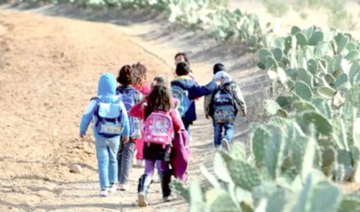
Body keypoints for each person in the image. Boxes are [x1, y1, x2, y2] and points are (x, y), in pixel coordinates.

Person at [129, 78, 184, 207]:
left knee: (148, 170)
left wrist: (143, 100)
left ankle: (143, 190)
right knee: (164, 168)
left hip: (148, 144)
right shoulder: (169, 111)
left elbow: (132, 112)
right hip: (164, 145)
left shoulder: (146, 109)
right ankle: (166, 194)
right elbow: (179, 127)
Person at [79, 73, 130, 197]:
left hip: (100, 135)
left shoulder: (95, 100)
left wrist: (82, 130)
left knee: (102, 161)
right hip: (115, 136)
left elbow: (86, 117)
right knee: (113, 159)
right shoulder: (118, 100)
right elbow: (125, 119)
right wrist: (126, 133)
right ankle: (113, 185)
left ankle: (103, 188)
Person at [171, 62, 218, 145]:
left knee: (173, 136)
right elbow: (204, 90)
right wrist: (214, 83)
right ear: (188, 72)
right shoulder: (191, 85)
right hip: (186, 115)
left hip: (173, 115)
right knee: (185, 136)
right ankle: (184, 153)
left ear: (176, 72)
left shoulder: (171, 85)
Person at [204, 63, 247, 152]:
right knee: (229, 127)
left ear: (214, 72)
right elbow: (238, 96)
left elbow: (207, 99)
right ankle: (226, 138)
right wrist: (243, 108)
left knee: (217, 130)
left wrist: (206, 111)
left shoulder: (213, 84)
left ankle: (217, 148)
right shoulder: (232, 84)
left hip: (217, 112)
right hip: (229, 111)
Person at [115, 65, 143, 191]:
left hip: (116, 128)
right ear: (134, 79)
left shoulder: (115, 92)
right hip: (133, 129)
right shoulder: (137, 95)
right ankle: (123, 182)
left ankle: (116, 179)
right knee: (128, 154)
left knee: (118, 152)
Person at [131, 62, 151, 168]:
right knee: (141, 138)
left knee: (131, 138)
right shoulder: (146, 87)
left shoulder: (130, 87)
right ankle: (140, 157)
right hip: (143, 117)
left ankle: (129, 157)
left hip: (131, 116)